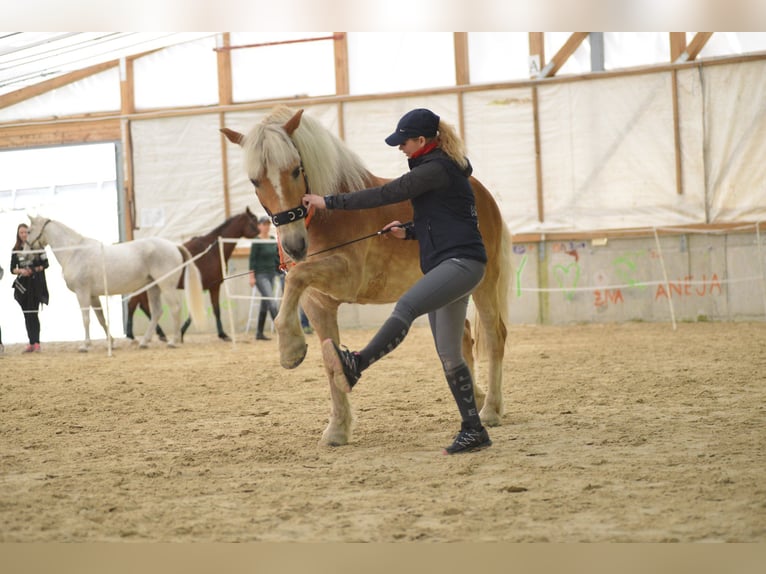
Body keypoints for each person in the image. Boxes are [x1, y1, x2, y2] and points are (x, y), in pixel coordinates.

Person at [302, 108, 491, 455]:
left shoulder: (436, 169)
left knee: (406, 306)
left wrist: (328, 201)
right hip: (448, 263)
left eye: (403, 142)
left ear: (422, 140)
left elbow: (385, 195)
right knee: (449, 353)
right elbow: (446, 221)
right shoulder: (437, 171)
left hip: (460, 263)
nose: (400, 148)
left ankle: (357, 364)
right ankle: (473, 429)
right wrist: (410, 231)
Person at [10, 223, 49, 353]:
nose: (24, 235)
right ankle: (31, 342)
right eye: (21, 232)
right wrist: (21, 271)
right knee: (27, 315)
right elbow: (12, 269)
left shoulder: (37, 247)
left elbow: (46, 264)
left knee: (34, 313)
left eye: (26, 232)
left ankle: (37, 342)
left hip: (35, 284)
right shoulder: (15, 249)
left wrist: (33, 270)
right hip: (23, 286)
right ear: (18, 234)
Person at [248, 216, 280, 340]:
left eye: (268, 224)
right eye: (264, 224)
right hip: (260, 276)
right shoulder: (257, 241)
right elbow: (252, 260)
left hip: (271, 273)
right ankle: (282, 331)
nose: (266, 226)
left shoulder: (273, 240)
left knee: (265, 304)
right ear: (259, 226)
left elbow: (277, 257)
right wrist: (251, 277)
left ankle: (259, 333)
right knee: (271, 302)